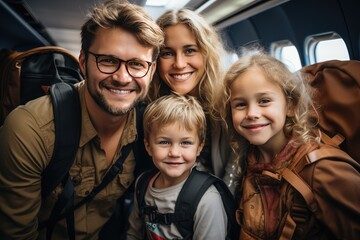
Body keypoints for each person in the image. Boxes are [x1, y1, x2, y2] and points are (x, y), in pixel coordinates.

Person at [0, 1, 164, 239]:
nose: (122, 77)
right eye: (108, 60)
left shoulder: (149, 129)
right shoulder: (30, 129)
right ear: (84, 63)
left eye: (137, 64)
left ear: (151, 70)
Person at [218, 48, 360, 239]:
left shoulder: (323, 171)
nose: (252, 113)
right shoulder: (250, 158)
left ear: (291, 106)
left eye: (264, 101)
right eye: (240, 104)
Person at [148, 9, 238, 192]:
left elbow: (234, 174)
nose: (179, 64)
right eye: (167, 53)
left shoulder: (229, 103)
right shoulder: (150, 107)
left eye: (190, 51)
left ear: (206, 53)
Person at [127, 94, 229, 239]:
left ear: (199, 147)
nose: (174, 153)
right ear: (148, 146)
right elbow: (133, 234)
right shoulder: (142, 184)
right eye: (164, 142)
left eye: (185, 143)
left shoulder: (207, 201)